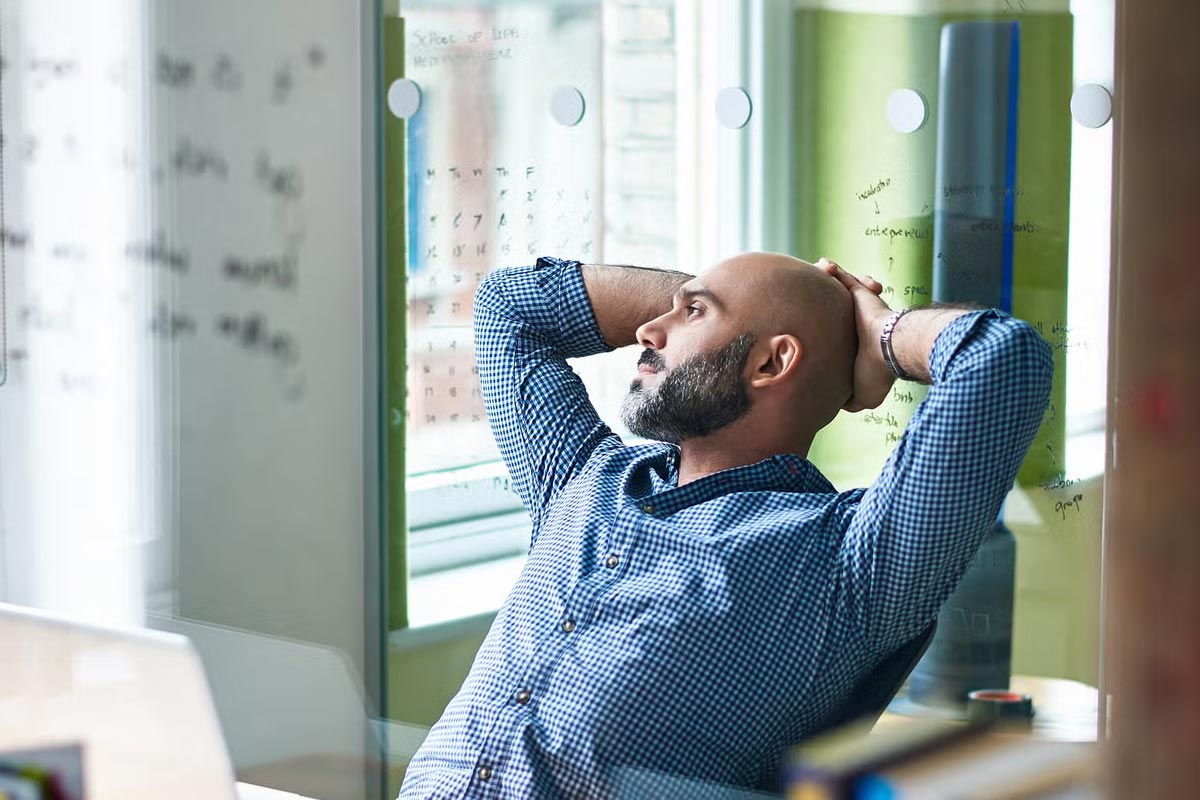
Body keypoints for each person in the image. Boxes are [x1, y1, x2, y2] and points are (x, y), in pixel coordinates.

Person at [399, 253, 1052, 799]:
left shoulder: (848, 564)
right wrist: (734, 297)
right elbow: (510, 307)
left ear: (770, 364)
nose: (648, 331)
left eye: (691, 314)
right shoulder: (583, 476)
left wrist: (871, 330)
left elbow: (1004, 359)